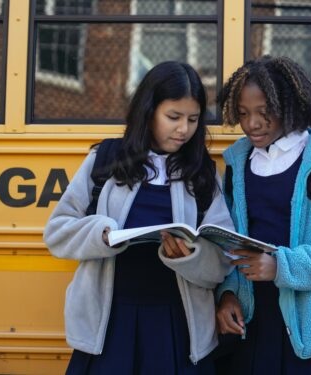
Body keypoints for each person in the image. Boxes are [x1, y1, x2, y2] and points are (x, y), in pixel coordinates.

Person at [44, 61, 234, 374]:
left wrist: (191, 256)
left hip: (178, 326)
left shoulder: (203, 174)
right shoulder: (105, 160)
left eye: (193, 119)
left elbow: (221, 260)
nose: (183, 129)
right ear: (148, 111)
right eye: (173, 117)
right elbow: (58, 232)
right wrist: (101, 235)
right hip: (108, 324)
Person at [215, 55, 311, 374]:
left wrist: (280, 266)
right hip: (254, 324)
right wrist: (228, 293)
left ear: (290, 106)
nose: (251, 124)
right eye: (243, 114)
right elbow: (229, 243)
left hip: (310, 332)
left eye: (263, 112)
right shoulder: (238, 166)